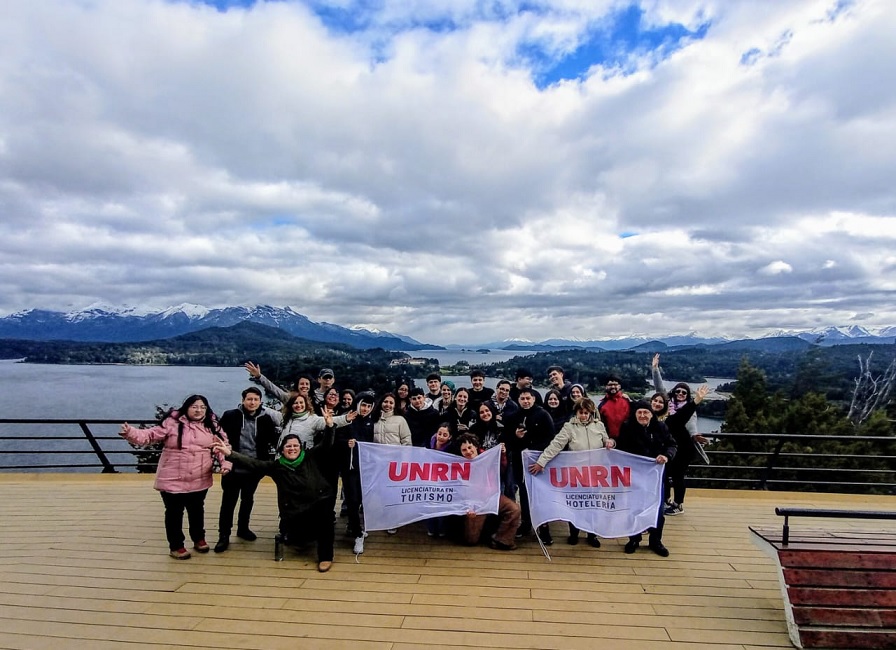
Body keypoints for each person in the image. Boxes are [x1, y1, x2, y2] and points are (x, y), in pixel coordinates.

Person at [119, 395, 230, 559]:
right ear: (186, 407)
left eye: (202, 407)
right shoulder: (172, 423)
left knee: (197, 510)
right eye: (194, 406)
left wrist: (225, 465)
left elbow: (223, 447)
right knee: (174, 513)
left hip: (199, 478)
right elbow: (150, 435)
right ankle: (176, 546)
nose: (198, 410)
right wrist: (131, 432)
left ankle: (198, 538)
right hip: (172, 478)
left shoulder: (211, 425)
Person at [213, 433, 337, 572]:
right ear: (282, 450)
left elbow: (325, 444)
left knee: (325, 522)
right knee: (299, 540)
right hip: (294, 510)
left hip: (318, 503)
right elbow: (253, 463)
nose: (292, 448)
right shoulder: (276, 467)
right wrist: (229, 453)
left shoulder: (309, 457)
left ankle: (325, 557)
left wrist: (330, 426)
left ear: (301, 448)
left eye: (296, 446)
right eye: (288, 446)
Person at [528, 398, 614, 547]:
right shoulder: (569, 427)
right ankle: (574, 533)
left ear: (591, 413)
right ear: (576, 412)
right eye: (581, 412)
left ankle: (591, 534)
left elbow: (607, 440)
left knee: (592, 505)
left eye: (587, 413)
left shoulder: (599, 426)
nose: (584, 415)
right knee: (575, 504)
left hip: (595, 473)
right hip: (576, 473)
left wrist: (610, 442)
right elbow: (556, 445)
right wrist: (541, 461)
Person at [214, 387, 281, 553]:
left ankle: (243, 528)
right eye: (249, 399)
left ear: (260, 402)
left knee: (247, 499)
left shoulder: (266, 419)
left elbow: (275, 441)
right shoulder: (231, 416)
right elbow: (219, 438)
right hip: (232, 466)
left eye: (256, 400)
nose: (252, 403)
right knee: (228, 502)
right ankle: (224, 535)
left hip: (254, 467)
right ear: (243, 400)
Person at [615, 401, 677, 557]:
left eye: (646, 412)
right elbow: (620, 449)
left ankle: (655, 541)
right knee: (634, 508)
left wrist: (667, 456)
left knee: (657, 509)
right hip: (635, 476)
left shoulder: (661, 427)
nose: (642, 416)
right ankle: (634, 539)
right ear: (635, 414)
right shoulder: (627, 427)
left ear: (651, 414)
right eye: (639, 413)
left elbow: (672, 444)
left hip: (655, 477)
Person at [651, 354, 710, 516]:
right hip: (669, 446)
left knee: (677, 476)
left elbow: (690, 424)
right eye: (678, 391)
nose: (681, 393)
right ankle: (666, 500)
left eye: (684, 392)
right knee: (664, 474)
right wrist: (655, 369)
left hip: (684, 447)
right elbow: (659, 388)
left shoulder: (687, 411)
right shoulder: (667, 405)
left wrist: (695, 434)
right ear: (674, 392)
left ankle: (678, 504)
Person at [506, 388, 556, 543]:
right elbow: (507, 439)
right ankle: (526, 523)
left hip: (538, 463)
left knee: (539, 495)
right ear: (518, 400)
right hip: (520, 462)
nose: (525, 401)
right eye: (522, 399)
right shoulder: (514, 416)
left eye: (528, 398)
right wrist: (516, 437)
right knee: (524, 492)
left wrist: (535, 450)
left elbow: (550, 439)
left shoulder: (543, 415)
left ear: (534, 399)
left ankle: (544, 527)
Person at [456, 434, 521, 551]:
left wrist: (503, 454)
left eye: (470, 447)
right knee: (471, 540)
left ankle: (501, 539)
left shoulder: (488, 456)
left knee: (514, 509)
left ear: (476, 446)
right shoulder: (459, 465)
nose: (468, 451)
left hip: (491, 496)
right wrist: (468, 507)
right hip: (474, 502)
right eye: (464, 450)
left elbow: (502, 468)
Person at [338, 392, 376, 554]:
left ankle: (354, 526)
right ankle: (358, 534)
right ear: (357, 404)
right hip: (350, 467)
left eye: (369, 406)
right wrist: (346, 443)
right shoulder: (347, 419)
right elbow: (335, 438)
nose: (365, 409)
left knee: (361, 499)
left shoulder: (371, 422)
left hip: (366, 468)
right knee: (352, 500)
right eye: (363, 405)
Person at [372, 393, 412, 535]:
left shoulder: (400, 420)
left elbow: (407, 441)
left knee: (394, 492)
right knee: (382, 492)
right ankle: (385, 515)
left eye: (391, 402)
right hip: (379, 463)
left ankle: (393, 520)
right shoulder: (374, 419)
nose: (387, 405)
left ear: (394, 405)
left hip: (395, 463)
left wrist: (405, 461)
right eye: (385, 402)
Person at [278, 394, 356, 450]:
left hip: (303, 458)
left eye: (301, 402)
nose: (299, 405)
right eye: (295, 403)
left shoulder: (312, 419)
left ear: (306, 404)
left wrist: (346, 418)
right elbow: (269, 412)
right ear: (291, 405)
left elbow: (330, 421)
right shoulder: (286, 418)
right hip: (283, 458)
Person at [425, 424, 454, 538]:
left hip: (444, 482)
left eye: (445, 435)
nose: (441, 437)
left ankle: (442, 529)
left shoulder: (452, 449)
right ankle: (431, 528)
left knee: (442, 507)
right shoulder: (428, 444)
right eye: (440, 434)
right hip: (429, 479)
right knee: (430, 505)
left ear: (450, 437)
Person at [244, 361, 311, 406]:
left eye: (307, 384)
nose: (304, 386)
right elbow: (273, 388)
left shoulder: (315, 398)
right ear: (297, 385)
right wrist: (259, 376)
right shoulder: (288, 398)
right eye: (302, 384)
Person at [598, 374, 631, 439]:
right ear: (606, 386)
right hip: (610, 441)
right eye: (610, 385)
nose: (613, 387)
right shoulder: (602, 405)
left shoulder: (628, 401)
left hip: (628, 439)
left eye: (615, 384)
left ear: (619, 386)